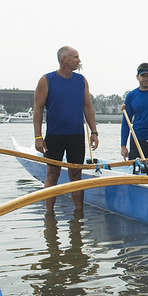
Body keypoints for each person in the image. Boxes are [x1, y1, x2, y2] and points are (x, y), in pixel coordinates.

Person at [33, 46, 99, 213]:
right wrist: (38, 137)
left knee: (76, 175)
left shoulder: (81, 80)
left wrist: (94, 132)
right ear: (64, 59)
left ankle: (78, 213)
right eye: (75, 57)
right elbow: (38, 108)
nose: (79, 60)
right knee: (52, 174)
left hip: (76, 136)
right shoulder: (47, 80)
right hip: (55, 136)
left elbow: (87, 106)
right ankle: (49, 214)